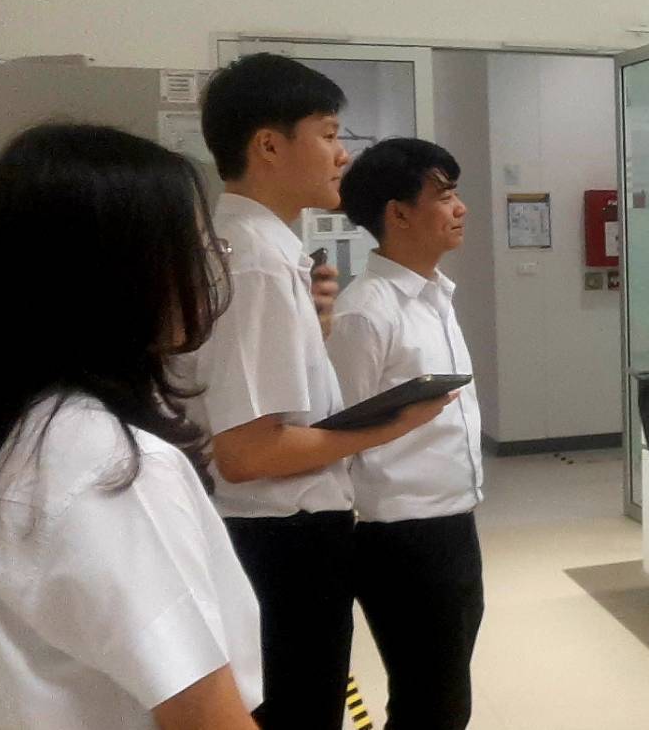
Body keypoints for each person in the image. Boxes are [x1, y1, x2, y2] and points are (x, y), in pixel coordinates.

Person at [0, 124, 260, 729]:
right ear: (122, 276)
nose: (207, 267)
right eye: (193, 247)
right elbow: (205, 715)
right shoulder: (116, 470)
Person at [189, 53, 454, 729]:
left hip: (278, 538)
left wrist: (315, 327)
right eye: (329, 134)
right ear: (269, 146)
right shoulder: (257, 260)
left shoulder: (255, 246)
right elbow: (247, 452)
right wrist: (395, 422)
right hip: (281, 540)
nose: (342, 155)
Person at [327, 138, 486, 730]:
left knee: (444, 696)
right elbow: (340, 435)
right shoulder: (366, 312)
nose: (460, 208)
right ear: (397, 213)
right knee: (430, 704)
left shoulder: (435, 296)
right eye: (443, 196)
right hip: (398, 534)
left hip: (453, 520)